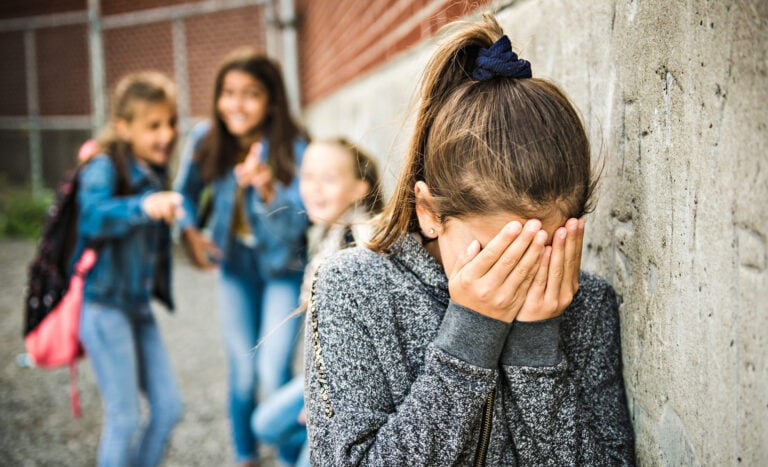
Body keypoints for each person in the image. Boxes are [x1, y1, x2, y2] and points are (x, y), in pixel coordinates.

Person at [304, 14, 635, 466]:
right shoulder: (352, 287)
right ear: (430, 213)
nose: (518, 277)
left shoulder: (585, 302)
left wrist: (537, 347)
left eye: (542, 249)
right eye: (499, 254)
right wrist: (470, 337)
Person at [174, 47, 309, 466]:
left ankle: (290, 458)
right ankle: (244, 455)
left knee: (273, 371)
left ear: (271, 100)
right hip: (236, 269)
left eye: (250, 93)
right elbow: (185, 196)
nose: (236, 104)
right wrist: (190, 233)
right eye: (228, 92)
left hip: (284, 269)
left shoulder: (295, 146)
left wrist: (268, 189)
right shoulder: (205, 140)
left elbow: (299, 225)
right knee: (244, 373)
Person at [251, 138, 383, 467]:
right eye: (308, 176)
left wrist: (323, 401)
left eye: (329, 178)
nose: (315, 188)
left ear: (359, 189)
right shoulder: (326, 235)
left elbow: (366, 341)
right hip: (323, 376)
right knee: (264, 425)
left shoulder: (361, 243)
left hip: (350, 388)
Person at [77, 71, 184, 467]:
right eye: (153, 125)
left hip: (137, 308)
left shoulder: (155, 171)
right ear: (123, 127)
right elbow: (91, 217)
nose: (166, 134)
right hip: (104, 308)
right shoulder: (104, 166)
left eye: (170, 123)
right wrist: (142, 206)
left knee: (169, 408)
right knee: (124, 417)